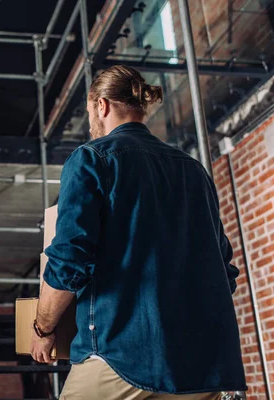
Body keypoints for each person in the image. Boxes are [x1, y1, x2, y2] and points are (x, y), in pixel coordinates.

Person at [30, 65, 247, 399]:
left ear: (101, 105)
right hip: (200, 365)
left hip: (121, 356)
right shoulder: (194, 170)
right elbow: (224, 269)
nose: (91, 122)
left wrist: (42, 328)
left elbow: (70, 261)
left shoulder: (92, 159)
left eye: (90, 112)